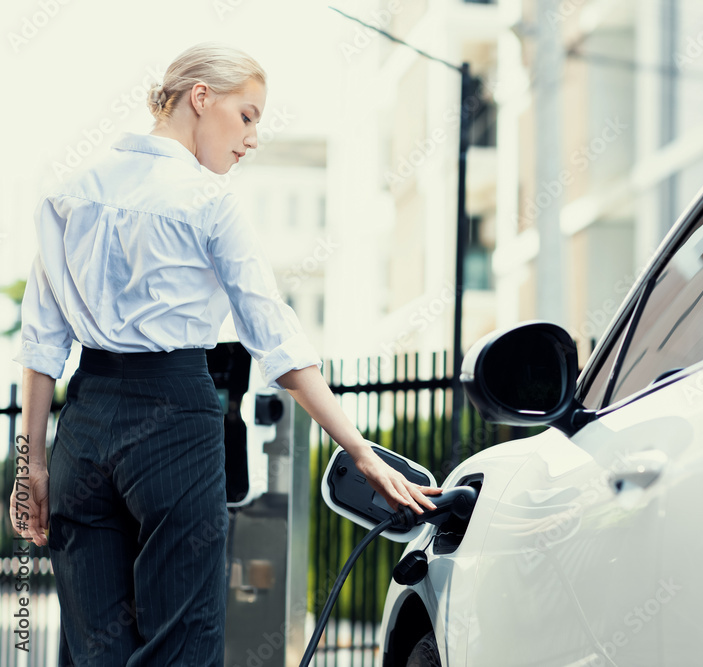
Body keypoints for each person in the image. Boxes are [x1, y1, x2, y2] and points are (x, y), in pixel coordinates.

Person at [7, 42, 439, 666]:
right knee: (181, 645)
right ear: (200, 99)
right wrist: (361, 452)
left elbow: (43, 341)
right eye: (248, 115)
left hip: (84, 426)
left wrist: (33, 465)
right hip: (175, 422)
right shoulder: (207, 202)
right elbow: (275, 337)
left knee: (93, 650)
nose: (253, 139)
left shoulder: (70, 193)